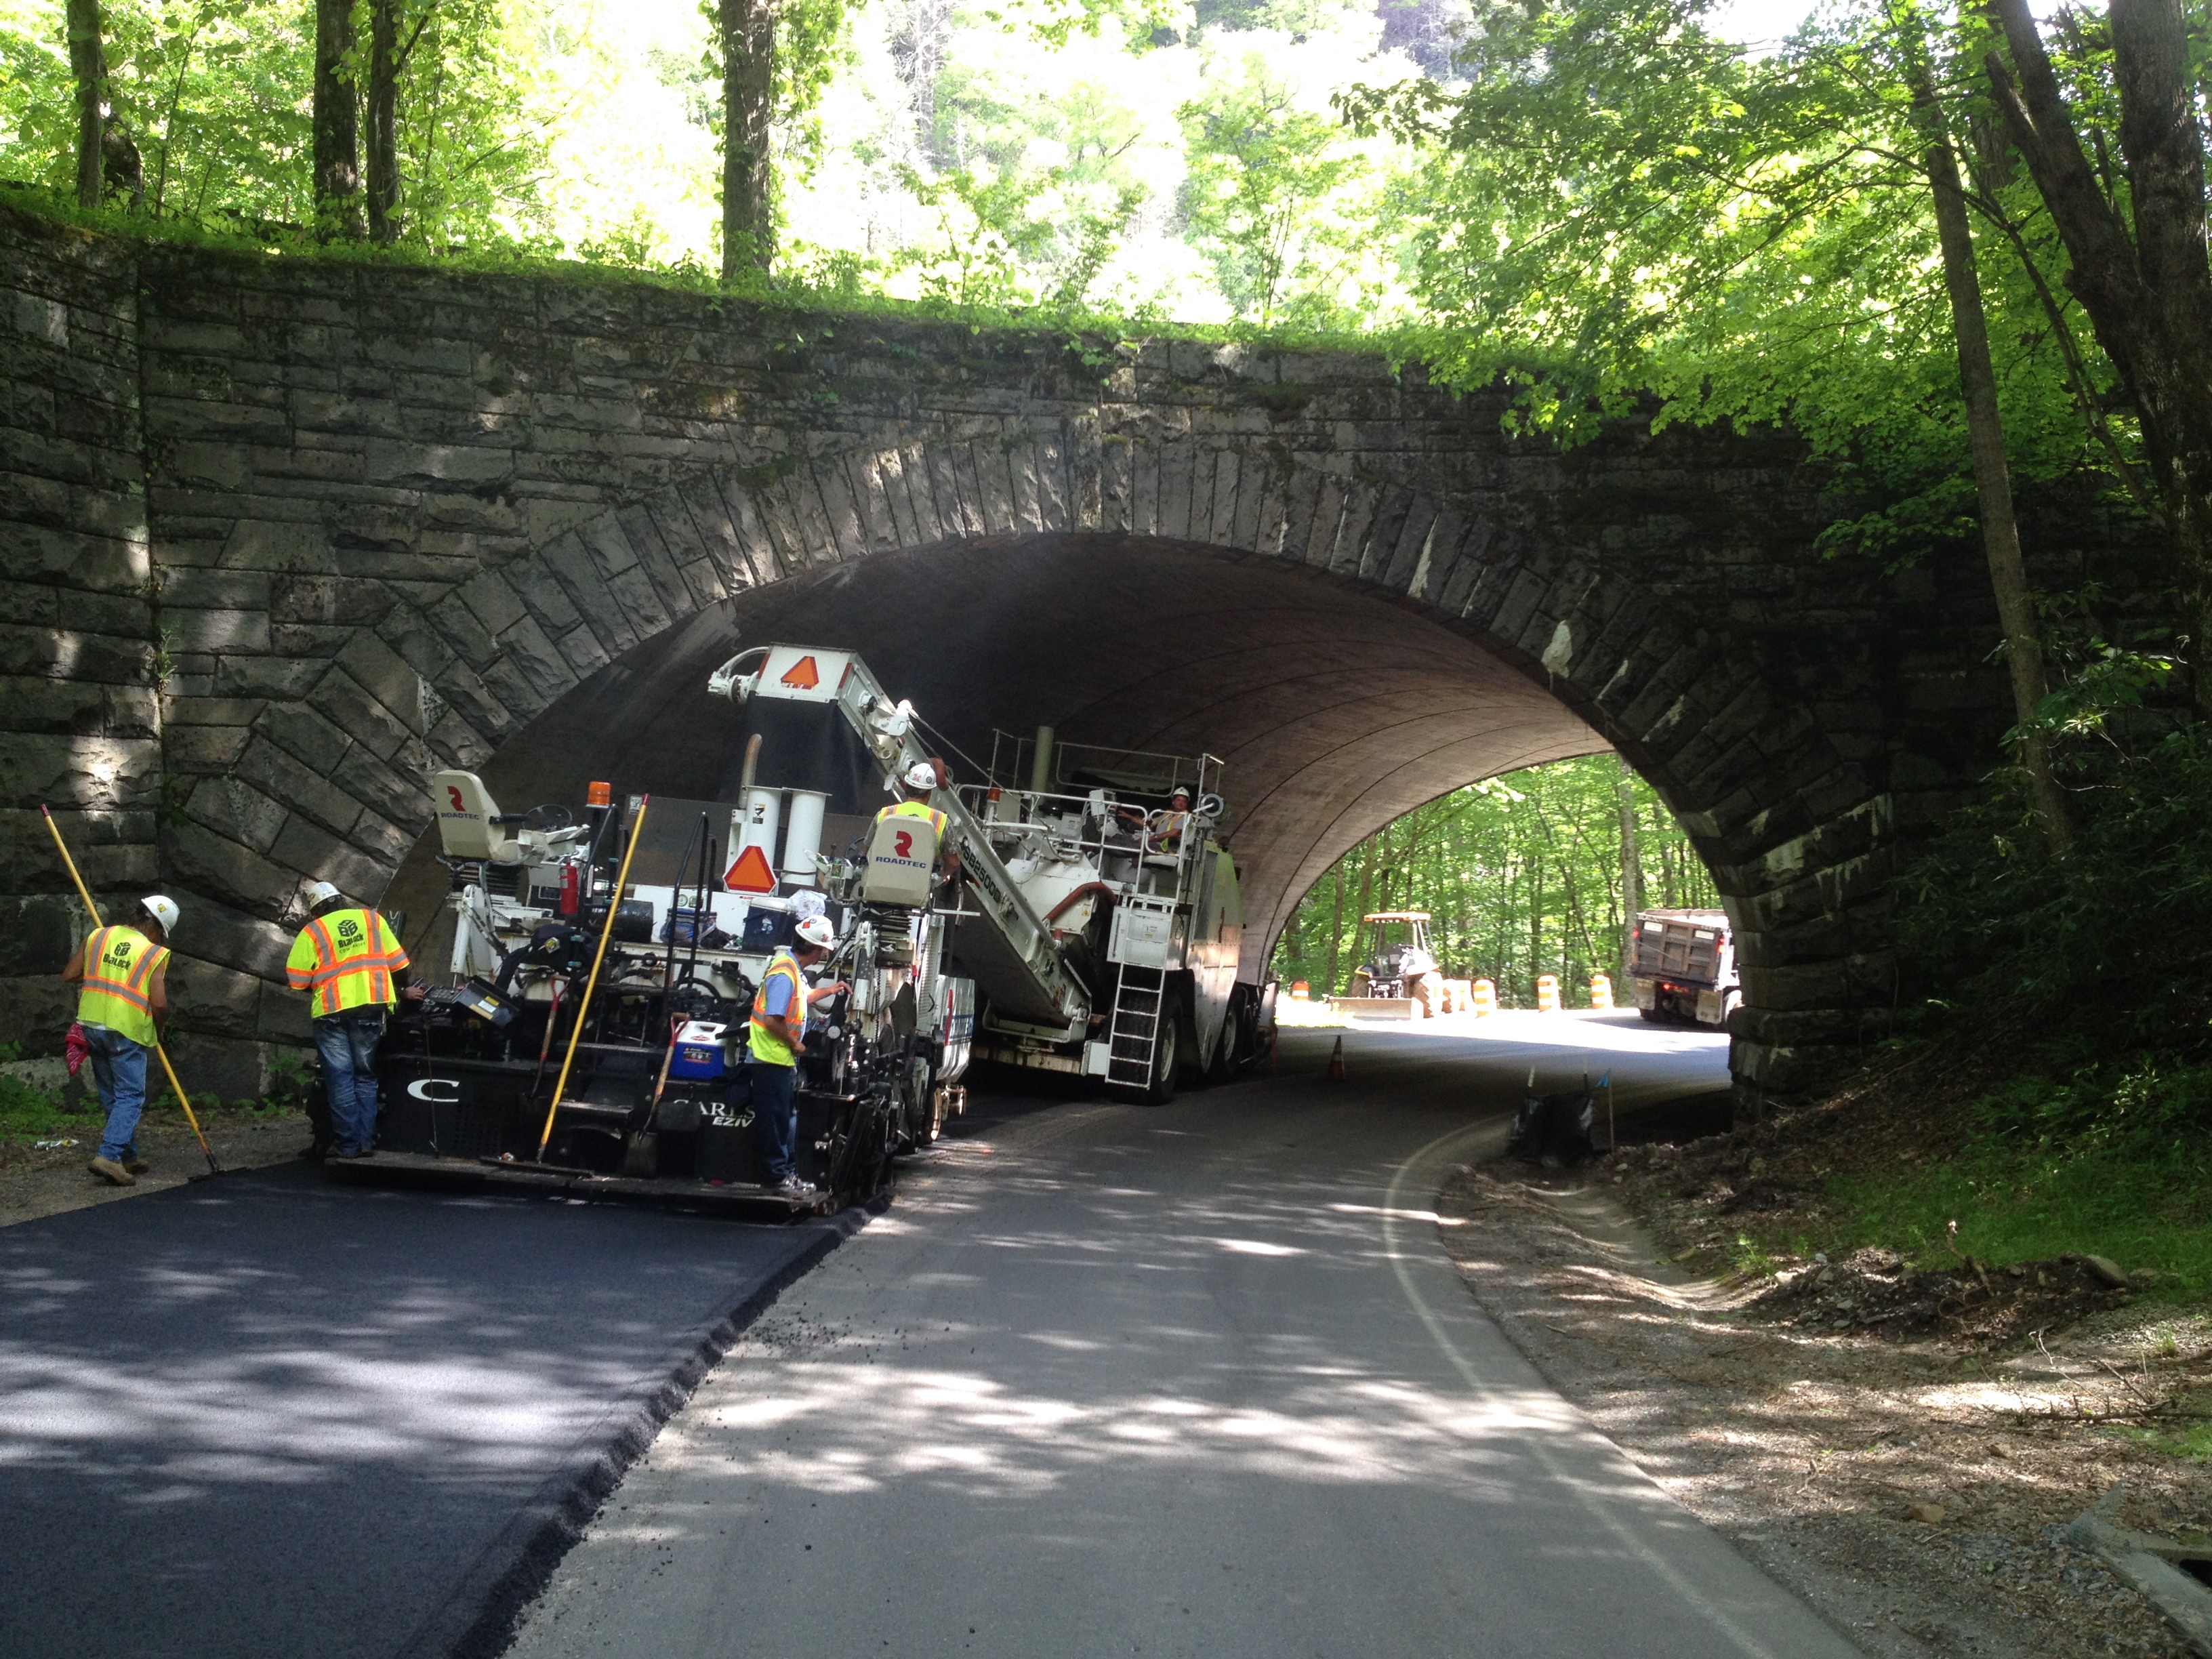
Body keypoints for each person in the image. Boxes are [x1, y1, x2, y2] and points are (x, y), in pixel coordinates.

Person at [286, 880, 422, 1160]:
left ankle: (347, 1147)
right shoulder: (372, 919)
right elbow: (400, 965)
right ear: (340, 900)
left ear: (316, 910)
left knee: (340, 1079)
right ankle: (367, 1143)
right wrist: (398, 994)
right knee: (365, 1077)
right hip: (371, 1008)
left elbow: (297, 981)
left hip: (331, 1011)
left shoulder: (313, 931)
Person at [60, 895, 180, 1187]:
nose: (161, 941)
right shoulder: (153, 954)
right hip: (125, 1031)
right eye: (162, 934)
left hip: (91, 1024)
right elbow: (160, 1005)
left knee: (112, 1096)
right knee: (130, 1096)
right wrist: (160, 1028)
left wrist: (104, 974)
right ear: (155, 926)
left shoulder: (98, 936)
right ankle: (109, 1156)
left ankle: (128, 1155)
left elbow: (70, 974)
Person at [731, 912, 844, 1196]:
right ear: (817, 950)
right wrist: (796, 1043)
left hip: (779, 1059)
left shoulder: (790, 968)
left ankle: (788, 1175)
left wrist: (831, 990)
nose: (823, 955)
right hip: (771, 1058)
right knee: (776, 1121)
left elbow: (801, 998)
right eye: (823, 950)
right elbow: (773, 1020)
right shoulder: (784, 973)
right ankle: (777, 1178)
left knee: (786, 1119)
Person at [1149, 786, 1194, 853]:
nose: (1181, 803)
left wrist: (1152, 838)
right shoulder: (1168, 814)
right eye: (1178, 800)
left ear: (1187, 804)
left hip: (1167, 848)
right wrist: (1129, 816)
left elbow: (1175, 833)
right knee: (1132, 841)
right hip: (1157, 844)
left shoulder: (1185, 817)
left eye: (1184, 801)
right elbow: (1150, 823)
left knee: (1141, 845)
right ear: (1173, 801)